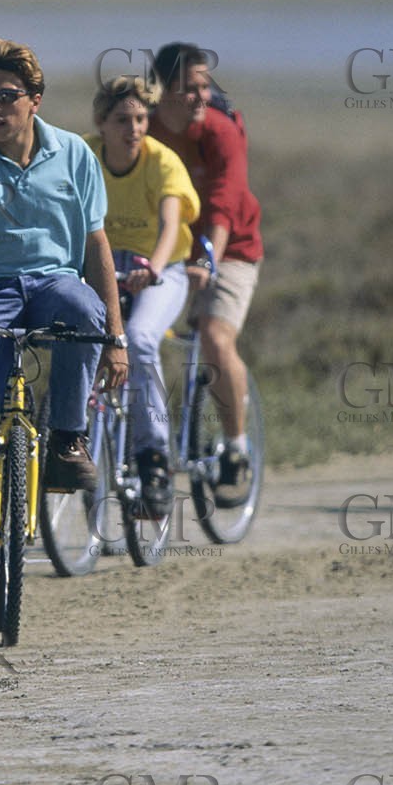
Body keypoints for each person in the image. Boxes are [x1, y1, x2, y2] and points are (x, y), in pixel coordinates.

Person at [0, 38, 130, 610]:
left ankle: (67, 439)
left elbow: (96, 247)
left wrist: (116, 338)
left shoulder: (74, 156)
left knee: (84, 310)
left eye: (7, 96)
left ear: (34, 99)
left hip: (53, 285)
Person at [85, 75, 201, 519]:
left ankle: (153, 461)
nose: (133, 129)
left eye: (140, 119)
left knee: (139, 337)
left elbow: (172, 222)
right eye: (121, 120)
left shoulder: (163, 162)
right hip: (104, 264)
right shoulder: (85, 155)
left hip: (162, 268)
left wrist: (152, 265)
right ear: (101, 123)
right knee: (77, 337)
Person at [146, 43, 263, 483]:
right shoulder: (145, 128)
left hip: (230, 246)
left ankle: (235, 447)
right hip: (163, 248)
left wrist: (209, 261)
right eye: (190, 88)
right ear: (161, 92)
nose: (202, 97)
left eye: (205, 86)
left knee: (215, 338)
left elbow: (223, 205)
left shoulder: (219, 131)